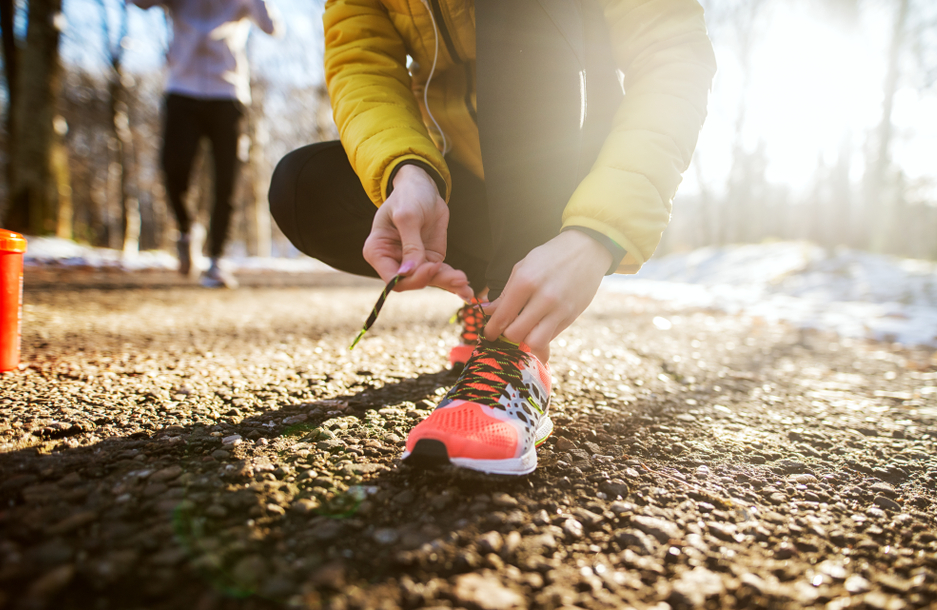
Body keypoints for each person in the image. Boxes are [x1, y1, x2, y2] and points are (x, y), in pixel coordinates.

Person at [270, 0, 715, 475]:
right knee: (303, 187)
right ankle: (490, 301)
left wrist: (596, 233)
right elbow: (361, 63)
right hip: (460, 169)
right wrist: (409, 170)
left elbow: (672, 53)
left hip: (569, 166)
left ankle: (514, 354)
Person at [128, 0, 282, 287]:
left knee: (228, 179)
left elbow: (272, 28)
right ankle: (187, 230)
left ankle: (217, 259)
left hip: (229, 93)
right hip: (182, 88)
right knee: (174, 169)